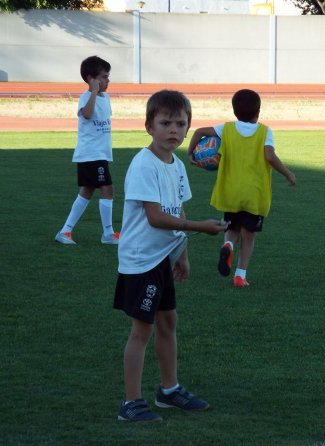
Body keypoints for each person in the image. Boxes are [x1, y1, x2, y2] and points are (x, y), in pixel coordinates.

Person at [114, 90, 228, 422]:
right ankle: (131, 404)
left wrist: (182, 254)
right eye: (165, 123)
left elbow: (176, 209)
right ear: (149, 126)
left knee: (168, 322)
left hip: (162, 258)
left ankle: (169, 390)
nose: (174, 130)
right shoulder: (143, 164)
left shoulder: (177, 164)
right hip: (142, 261)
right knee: (141, 331)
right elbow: (155, 217)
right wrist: (199, 227)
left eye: (181, 123)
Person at [187, 89, 296, 287]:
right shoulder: (264, 131)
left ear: (234, 110)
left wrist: (190, 153)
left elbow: (199, 132)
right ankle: (240, 275)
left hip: (230, 191)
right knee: (249, 234)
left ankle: (228, 244)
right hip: (254, 194)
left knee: (231, 227)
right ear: (258, 111)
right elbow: (269, 156)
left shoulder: (227, 129)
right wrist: (288, 173)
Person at [55, 55, 119, 245]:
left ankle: (65, 231)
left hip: (100, 154)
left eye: (108, 77)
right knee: (108, 189)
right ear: (92, 79)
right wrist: (92, 92)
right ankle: (108, 234)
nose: (108, 81)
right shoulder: (86, 97)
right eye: (104, 77)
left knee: (87, 191)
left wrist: (98, 92)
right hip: (91, 154)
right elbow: (88, 114)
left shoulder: (105, 97)